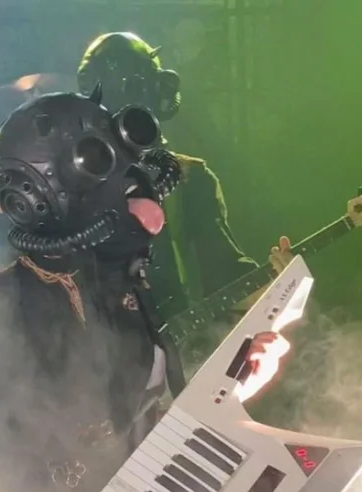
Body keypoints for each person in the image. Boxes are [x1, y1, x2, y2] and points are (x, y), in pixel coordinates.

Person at [0, 91, 290, 492]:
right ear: (34, 197)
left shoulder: (121, 294)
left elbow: (129, 433)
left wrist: (232, 385)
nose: (131, 179)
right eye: (99, 161)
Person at [77, 32, 292, 322]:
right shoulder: (72, 186)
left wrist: (275, 285)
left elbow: (222, 271)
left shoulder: (190, 178)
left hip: (178, 343)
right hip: (101, 345)